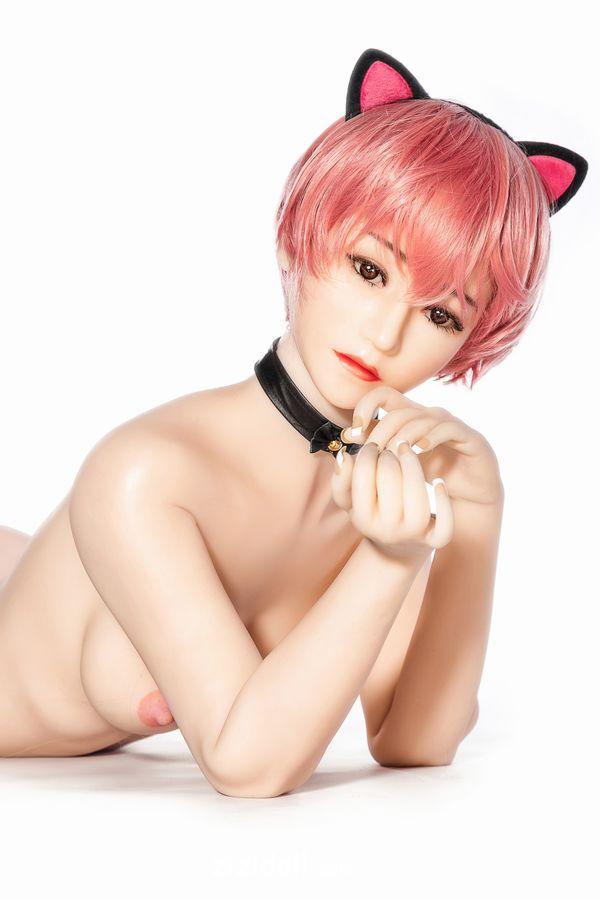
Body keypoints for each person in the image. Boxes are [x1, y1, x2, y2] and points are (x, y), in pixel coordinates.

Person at [0, 47, 588, 797]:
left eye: (441, 315)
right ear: (297, 237)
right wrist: (390, 557)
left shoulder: (378, 489)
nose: (385, 335)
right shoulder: (146, 472)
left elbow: (416, 739)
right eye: (369, 269)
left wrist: (476, 517)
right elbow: (249, 764)